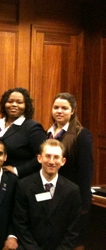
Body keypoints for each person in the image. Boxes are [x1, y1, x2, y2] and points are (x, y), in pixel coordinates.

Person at [13, 139, 82, 250]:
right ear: (39, 158)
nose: (51, 161)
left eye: (56, 157)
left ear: (63, 161)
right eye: (48, 156)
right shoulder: (23, 186)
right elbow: (20, 224)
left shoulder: (72, 190)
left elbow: (73, 229)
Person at [47, 92, 93, 249]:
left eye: (64, 108)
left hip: (72, 199)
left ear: (72, 111)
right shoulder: (48, 133)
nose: (59, 111)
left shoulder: (81, 134)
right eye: (56, 107)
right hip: (51, 196)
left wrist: (84, 205)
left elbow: (86, 172)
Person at [0, 87, 47, 178]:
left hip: (21, 180)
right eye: (10, 101)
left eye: (19, 102)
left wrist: (18, 170)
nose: (14, 105)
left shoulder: (33, 128)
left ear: (26, 106)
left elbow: (43, 156)